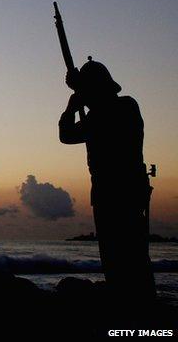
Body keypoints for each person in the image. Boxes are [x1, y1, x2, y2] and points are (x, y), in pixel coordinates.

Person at [59, 57, 154, 299]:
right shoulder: (100, 114)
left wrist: (77, 99)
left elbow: (76, 129)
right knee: (113, 255)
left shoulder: (124, 108)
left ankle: (138, 308)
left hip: (122, 192)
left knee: (129, 255)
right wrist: (73, 103)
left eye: (89, 90)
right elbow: (67, 135)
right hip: (106, 191)